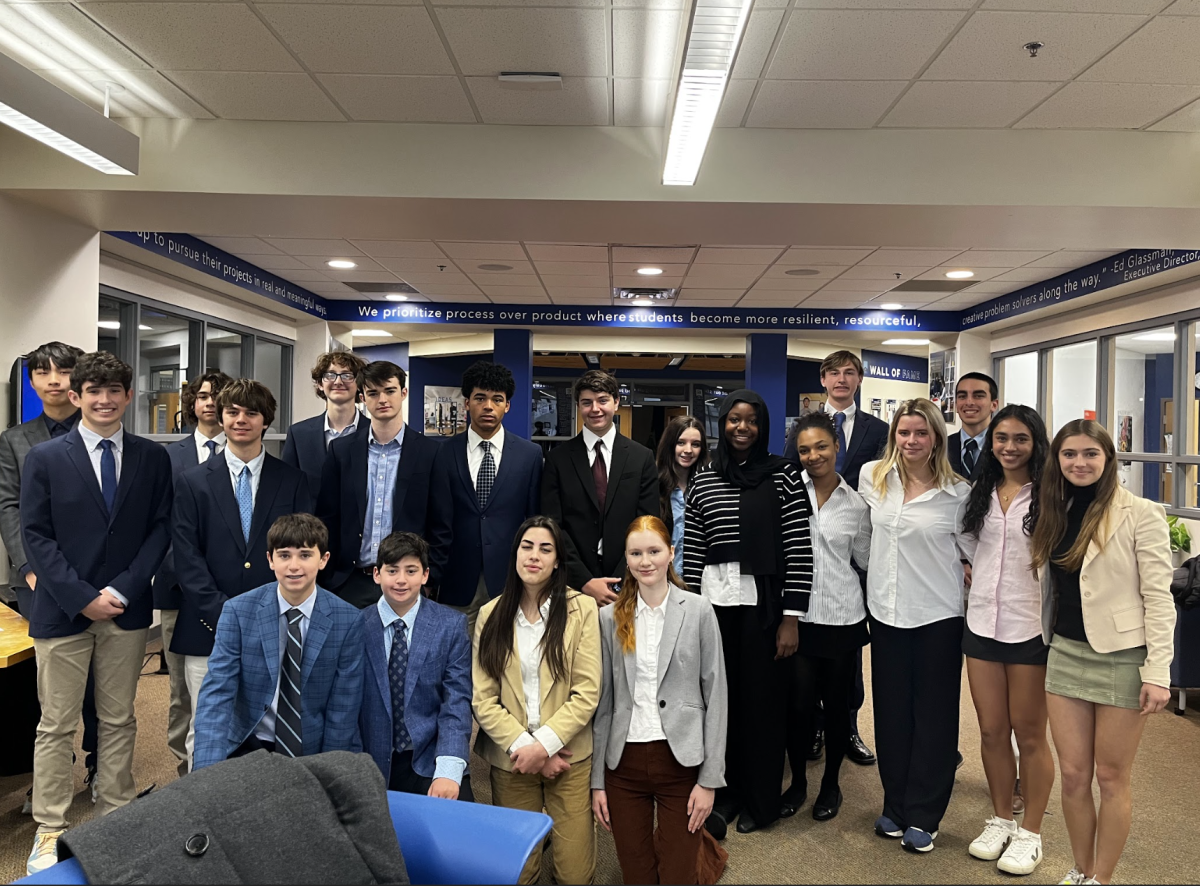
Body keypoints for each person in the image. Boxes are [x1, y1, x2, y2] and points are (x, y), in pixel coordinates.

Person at [21, 352, 173, 875]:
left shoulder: (153, 458)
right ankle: (50, 827)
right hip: (63, 611)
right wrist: (81, 595)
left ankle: (116, 816)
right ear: (77, 395)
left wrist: (125, 590)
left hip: (126, 612)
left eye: (114, 390)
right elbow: (35, 535)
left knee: (118, 718)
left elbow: (159, 529)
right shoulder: (44, 457)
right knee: (56, 724)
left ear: (129, 396)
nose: (104, 399)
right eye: (94, 390)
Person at [1029, 420, 1176, 886]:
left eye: (1090, 454)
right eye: (1069, 454)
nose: (1079, 463)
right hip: (1066, 652)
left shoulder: (1141, 512)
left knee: (1111, 778)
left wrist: (1158, 670)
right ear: (1058, 460)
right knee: (1073, 776)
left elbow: (1159, 596)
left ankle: (1102, 879)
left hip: (1122, 657)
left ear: (1109, 459)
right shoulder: (1053, 508)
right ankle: (1080, 868)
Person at [682, 389, 813, 836]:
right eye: (734, 419)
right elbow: (694, 554)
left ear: (763, 426)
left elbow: (798, 549)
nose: (742, 427)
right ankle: (726, 793)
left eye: (751, 420)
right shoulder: (704, 479)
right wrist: (687, 613)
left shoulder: (784, 476)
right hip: (714, 610)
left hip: (767, 610)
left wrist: (791, 617)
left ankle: (762, 799)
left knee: (763, 704)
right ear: (722, 424)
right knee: (721, 704)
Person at [171, 379, 312, 765]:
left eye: (251, 413)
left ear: (266, 420)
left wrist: (265, 615)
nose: (240, 420)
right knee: (208, 727)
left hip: (278, 624)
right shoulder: (193, 482)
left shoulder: (293, 481)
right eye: (232, 412)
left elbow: (299, 555)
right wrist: (227, 616)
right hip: (206, 626)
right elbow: (187, 557)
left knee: (273, 725)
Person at [858, 398, 971, 854]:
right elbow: (863, 536)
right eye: (903, 432)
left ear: (937, 438)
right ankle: (896, 805)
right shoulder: (872, 477)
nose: (911, 441)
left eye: (921, 433)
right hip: (886, 614)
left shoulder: (958, 493)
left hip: (937, 617)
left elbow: (977, 553)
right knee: (891, 716)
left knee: (935, 718)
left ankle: (925, 813)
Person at [592, 515, 727, 885]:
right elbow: (603, 704)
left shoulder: (698, 610)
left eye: (654, 551)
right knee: (636, 875)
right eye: (635, 553)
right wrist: (597, 783)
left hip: (680, 762)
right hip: (624, 766)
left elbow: (717, 696)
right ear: (626, 557)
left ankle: (707, 850)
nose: (645, 561)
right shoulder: (608, 618)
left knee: (678, 876)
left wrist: (710, 780)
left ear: (671, 553)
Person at [472, 516, 601, 886]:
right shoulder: (490, 614)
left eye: (546, 549)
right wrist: (526, 748)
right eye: (527, 546)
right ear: (515, 554)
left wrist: (544, 746)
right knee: (518, 870)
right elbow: (483, 700)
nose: (534, 556)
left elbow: (587, 691)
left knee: (575, 873)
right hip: (511, 758)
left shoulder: (582, 610)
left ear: (558, 560)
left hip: (568, 756)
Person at [959, 405, 1055, 875]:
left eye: (1020, 438)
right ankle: (1000, 818)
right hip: (981, 625)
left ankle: (1030, 833)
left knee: (1030, 734)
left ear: (1036, 442)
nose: (1009, 447)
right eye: (1001, 438)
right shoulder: (981, 492)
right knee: (993, 730)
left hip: (1030, 627)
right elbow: (967, 543)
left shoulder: (1052, 494)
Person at [191, 513, 365, 770]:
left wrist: (330, 774)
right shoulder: (238, 612)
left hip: (312, 747)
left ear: (323, 560)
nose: (294, 566)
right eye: (284, 555)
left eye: (305, 555)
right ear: (270, 560)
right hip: (249, 743)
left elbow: (343, 709)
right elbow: (217, 695)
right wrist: (206, 773)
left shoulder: (348, 620)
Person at [0, 342, 93, 814]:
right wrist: (29, 569)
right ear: (32, 381)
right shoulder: (15, 440)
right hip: (37, 580)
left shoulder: (101, 428)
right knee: (50, 686)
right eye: (43, 372)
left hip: (95, 575)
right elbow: (9, 507)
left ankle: (99, 765)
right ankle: (51, 776)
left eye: (64, 370)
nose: (54, 379)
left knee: (100, 680)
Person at [783, 350, 886, 766]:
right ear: (823, 379)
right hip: (810, 541)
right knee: (806, 666)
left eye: (849, 373)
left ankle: (849, 728)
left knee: (847, 662)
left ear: (859, 379)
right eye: (834, 373)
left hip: (857, 545)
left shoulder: (879, 430)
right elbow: (790, 478)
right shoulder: (800, 430)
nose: (842, 379)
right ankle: (815, 729)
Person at [783, 411, 871, 823]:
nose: (813, 455)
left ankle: (831, 783)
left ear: (837, 447)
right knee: (798, 707)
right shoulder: (785, 493)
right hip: (796, 618)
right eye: (804, 449)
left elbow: (866, 559)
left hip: (842, 616)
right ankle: (798, 782)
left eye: (821, 446)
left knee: (837, 709)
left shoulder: (857, 504)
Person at [154, 368, 232, 777]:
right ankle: (184, 764)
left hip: (231, 589)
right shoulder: (170, 456)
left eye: (218, 398)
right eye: (203, 397)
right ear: (193, 404)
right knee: (181, 687)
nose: (209, 404)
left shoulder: (242, 454)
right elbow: (161, 523)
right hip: (177, 590)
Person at [428, 360, 543, 636]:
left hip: (510, 579)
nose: (488, 406)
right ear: (467, 403)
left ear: (508, 406)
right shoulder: (442, 453)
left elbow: (535, 519)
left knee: (505, 663)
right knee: (456, 664)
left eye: (497, 399)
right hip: (455, 580)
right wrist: (432, 574)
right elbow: (436, 519)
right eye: (480, 398)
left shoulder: (530, 455)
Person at [359, 531, 473, 800]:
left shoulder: (450, 626)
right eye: (392, 570)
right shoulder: (356, 626)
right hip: (371, 759)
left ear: (425, 575)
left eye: (411, 571)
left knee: (459, 827)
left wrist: (448, 770)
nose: (401, 580)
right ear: (377, 574)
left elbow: (456, 701)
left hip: (430, 756)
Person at [317, 360, 440, 609]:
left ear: (403, 393)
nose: (382, 399)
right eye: (373, 393)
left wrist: (430, 578)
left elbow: (441, 522)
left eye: (390, 391)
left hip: (406, 581)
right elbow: (327, 517)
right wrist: (330, 576)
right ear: (362, 397)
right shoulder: (341, 451)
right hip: (351, 582)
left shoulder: (431, 452)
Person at [541, 370, 658, 607]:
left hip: (629, 583)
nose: (595, 409)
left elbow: (647, 522)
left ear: (616, 402)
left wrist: (619, 582)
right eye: (587, 403)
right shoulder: (557, 460)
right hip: (572, 586)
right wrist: (585, 581)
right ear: (578, 406)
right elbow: (553, 526)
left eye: (602, 400)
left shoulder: (641, 457)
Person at [282, 350, 368, 499]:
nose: (338, 381)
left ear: (359, 385)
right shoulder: (298, 434)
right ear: (320, 384)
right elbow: (287, 488)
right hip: (311, 521)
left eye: (347, 375)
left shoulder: (376, 433)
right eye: (330, 375)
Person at [655, 415, 708, 578]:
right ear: (670, 445)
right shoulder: (653, 487)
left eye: (696, 444)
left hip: (699, 581)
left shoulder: (707, 487)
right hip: (661, 579)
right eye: (681, 442)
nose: (688, 450)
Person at [948, 371, 999, 481]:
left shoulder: (1003, 448)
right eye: (962, 396)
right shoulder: (941, 447)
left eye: (978, 396)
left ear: (993, 405)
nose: (969, 402)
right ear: (956, 405)